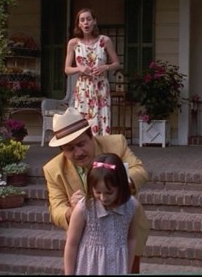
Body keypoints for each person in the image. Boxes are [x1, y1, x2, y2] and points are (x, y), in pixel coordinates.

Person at [43, 107, 149, 273]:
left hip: (124, 234)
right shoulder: (52, 169)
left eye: (81, 144)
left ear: (91, 136)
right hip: (89, 243)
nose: (78, 152)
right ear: (62, 150)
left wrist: (118, 187)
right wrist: (72, 211)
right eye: (69, 149)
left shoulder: (116, 144)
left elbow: (140, 171)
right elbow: (56, 208)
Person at [63, 153, 140, 275]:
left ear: (121, 187)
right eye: (98, 192)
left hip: (118, 267)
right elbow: (71, 244)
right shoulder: (83, 209)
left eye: (109, 192)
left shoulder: (131, 206)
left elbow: (132, 238)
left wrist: (128, 269)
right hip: (89, 269)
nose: (103, 198)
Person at [64, 8, 121, 136]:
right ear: (78, 24)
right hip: (83, 88)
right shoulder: (73, 43)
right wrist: (80, 68)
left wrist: (104, 67)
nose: (86, 23)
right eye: (82, 20)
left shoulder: (104, 41)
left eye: (89, 19)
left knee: (102, 120)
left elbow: (117, 63)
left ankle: (102, 153)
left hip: (101, 87)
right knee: (83, 122)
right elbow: (67, 69)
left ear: (94, 21)